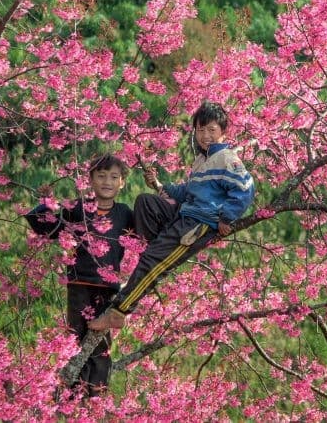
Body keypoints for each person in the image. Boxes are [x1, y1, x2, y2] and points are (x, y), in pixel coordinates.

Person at [88, 101, 255, 331]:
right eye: (201, 130)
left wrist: (227, 218)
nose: (206, 135)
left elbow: (245, 189)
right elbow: (186, 192)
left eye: (212, 130)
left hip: (198, 222)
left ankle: (119, 312)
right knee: (145, 202)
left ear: (223, 131)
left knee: (151, 261)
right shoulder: (202, 160)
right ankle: (157, 251)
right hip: (184, 212)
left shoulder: (227, 158)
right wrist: (157, 185)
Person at [25, 154, 134, 396]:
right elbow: (46, 225)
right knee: (76, 335)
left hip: (109, 286)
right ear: (90, 179)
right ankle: (72, 392)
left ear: (122, 182)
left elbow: (143, 238)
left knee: (101, 341)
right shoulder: (78, 208)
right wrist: (44, 202)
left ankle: (95, 393)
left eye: (114, 177)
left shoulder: (125, 213)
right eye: (101, 176)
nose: (107, 181)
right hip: (79, 282)